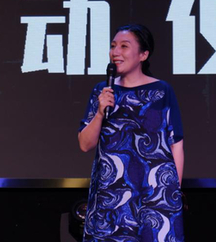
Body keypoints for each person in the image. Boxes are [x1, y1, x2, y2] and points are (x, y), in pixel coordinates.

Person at [78, 24, 185, 241]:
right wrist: (100, 113)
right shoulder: (102, 91)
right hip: (110, 197)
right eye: (113, 46)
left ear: (143, 54)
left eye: (124, 46)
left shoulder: (162, 91)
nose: (115, 52)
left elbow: (176, 144)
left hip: (155, 195)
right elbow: (85, 144)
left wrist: (173, 193)